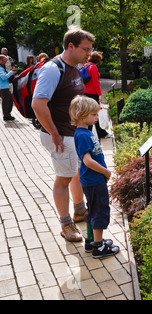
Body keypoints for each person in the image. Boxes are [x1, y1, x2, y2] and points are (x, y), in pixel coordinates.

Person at [32, 26, 96, 242]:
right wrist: (54, 133)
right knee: (64, 178)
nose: (89, 54)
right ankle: (66, 224)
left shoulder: (75, 68)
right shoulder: (53, 69)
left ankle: (80, 211)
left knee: (76, 172)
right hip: (59, 135)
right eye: (86, 49)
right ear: (71, 46)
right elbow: (38, 104)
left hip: (72, 133)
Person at [69, 95, 119, 258]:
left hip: (91, 179)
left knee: (92, 209)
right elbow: (88, 160)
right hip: (94, 179)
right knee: (99, 211)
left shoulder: (84, 132)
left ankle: (91, 241)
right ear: (82, 115)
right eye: (94, 115)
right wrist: (106, 172)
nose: (97, 117)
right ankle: (99, 247)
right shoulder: (83, 135)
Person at [82, 51, 110, 139]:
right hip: (92, 94)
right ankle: (101, 133)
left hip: (85, 93)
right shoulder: (93, 67)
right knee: (95, 113)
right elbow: (95, 83)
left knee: (89, 113)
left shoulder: (86, 66)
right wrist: (100, 94)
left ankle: (89, 133)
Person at [0, 55, 16, 121]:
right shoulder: (0, 68)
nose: (5, 63)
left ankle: (7, 114)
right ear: (0, 60)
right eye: (4, 61)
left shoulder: (2, 67)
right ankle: (6, 116)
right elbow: (4, 77)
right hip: (3, 87)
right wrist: (11, 73)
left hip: (5, 87)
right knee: (6, 101)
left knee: (9, 100)